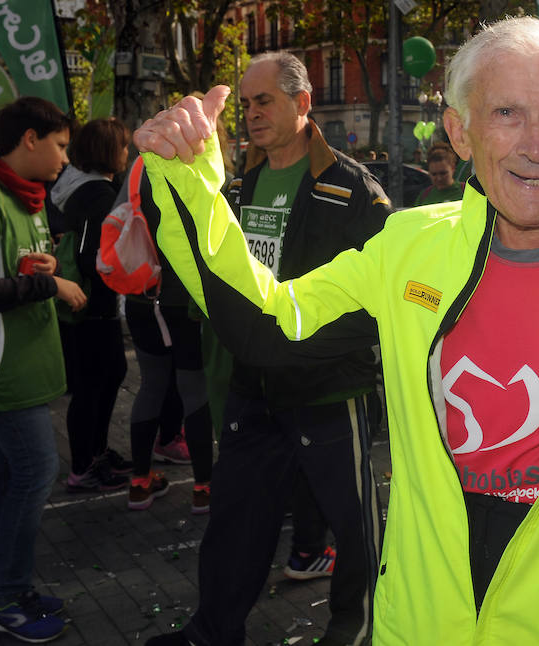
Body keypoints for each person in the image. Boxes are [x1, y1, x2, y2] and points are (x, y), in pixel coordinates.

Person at [135, 17, 539, 645]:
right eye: (505, 113)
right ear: (459, 132)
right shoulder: (408, 248)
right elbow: (271, 324)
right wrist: (190, 185)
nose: (537, 145)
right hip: (424, 617)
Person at [144, 51, 389, 646]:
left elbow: (379, 301)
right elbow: (208, 272)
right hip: (253, 387)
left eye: (265, 101)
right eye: (246, 104)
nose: (251, 114)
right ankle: (211, 632)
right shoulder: (235, 184)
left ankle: (358, 633)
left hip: (332, 390)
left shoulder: (355, 189)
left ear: (304, 104)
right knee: (235, 522)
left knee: (357, 530)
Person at [0, 96, 85, 643]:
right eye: (60, 145)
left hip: (23, 370)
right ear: (30, 139)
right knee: (33, 474)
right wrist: (51, 283)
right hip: (2, 374)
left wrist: (40, 266)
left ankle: (4, 587)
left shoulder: (25, 197)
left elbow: (12, 268)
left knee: (4, 481)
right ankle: (5, 598)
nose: (63, 159)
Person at [121, 153, 215, 514]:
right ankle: (204, 488)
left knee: (151, 385)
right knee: (194, 391)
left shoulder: (137, 172)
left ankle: (140, 483)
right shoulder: (196, 175)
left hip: (142, 297)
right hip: (181, 302)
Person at [50, 117, 133, 493]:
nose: (127, 153)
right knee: (95, 384)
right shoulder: (98, 194)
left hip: (86, 304)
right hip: (91, 305)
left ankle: (95, 453)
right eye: (123, 146)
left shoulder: (74, 186)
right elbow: (89, 255)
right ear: (107, 151)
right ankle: (84, 464)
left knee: (106, 376)